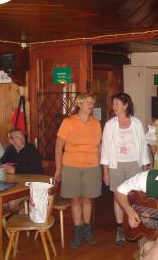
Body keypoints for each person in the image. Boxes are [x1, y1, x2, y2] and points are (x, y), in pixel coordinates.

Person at [54, 93, 102, 249]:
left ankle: (87, 230)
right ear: (79, 104)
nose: (90, 104)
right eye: (87, 102)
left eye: (92, 102)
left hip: (92, 166)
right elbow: (58, 147)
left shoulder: (96, 123)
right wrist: (58, 169)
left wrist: (101, 167)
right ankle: (78, 230)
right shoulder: (68, 122)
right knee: (75, 199)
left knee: (87, 199)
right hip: (71, 165)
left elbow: (99, 147)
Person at [101, 93, 150, 244]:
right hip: (116, 165)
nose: (114, 107)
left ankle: (134, 226)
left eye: (117, 104)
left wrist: (145, 167)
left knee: (134, 197)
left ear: (126, 105)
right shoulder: (110, 124)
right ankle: (120, 228)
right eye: (113, 104)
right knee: (118, 196)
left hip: (134, 164)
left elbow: (143, 146)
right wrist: (105, 171)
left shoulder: (136, 123)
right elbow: (105, 149)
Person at [0, 128, 43, 213]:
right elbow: (1, 162)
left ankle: (20, 218)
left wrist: (15, 170)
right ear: (11, 141)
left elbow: (37, 169)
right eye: (18, 137)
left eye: (22, 136)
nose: (22, 139)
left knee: (12, 204)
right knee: (2, 203)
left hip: (33, 185)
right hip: (17, 185)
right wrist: (2, 165)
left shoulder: (30, 148)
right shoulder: (10, 149)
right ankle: (20, 216)